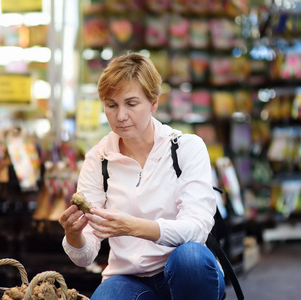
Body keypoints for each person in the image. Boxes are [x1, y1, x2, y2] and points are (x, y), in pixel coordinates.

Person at [59, 52, 225, 300]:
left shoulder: (186, 148)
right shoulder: (98, 159)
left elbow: (197, 229)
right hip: (129, 278)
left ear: (154, 102)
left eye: (131, 103)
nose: (121, 116)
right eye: (111, 105)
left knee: (190, 258)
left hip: (184, 271)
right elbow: (85, 257)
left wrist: (133, 227)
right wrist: (74, 236)